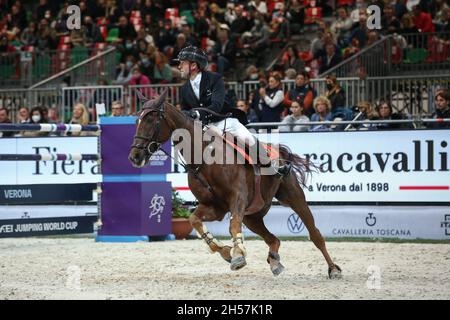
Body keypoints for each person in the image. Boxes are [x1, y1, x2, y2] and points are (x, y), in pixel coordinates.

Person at [173, 45, 289, 175]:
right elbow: (184, 110)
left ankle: (272, 166)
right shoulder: (184, 89)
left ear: (193, 66)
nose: (179, 67)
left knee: (247, 138)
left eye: (182, 63)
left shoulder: (214, 79)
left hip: (223, 121)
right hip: (203, 127)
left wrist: (197, 113)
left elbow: (217, 105)